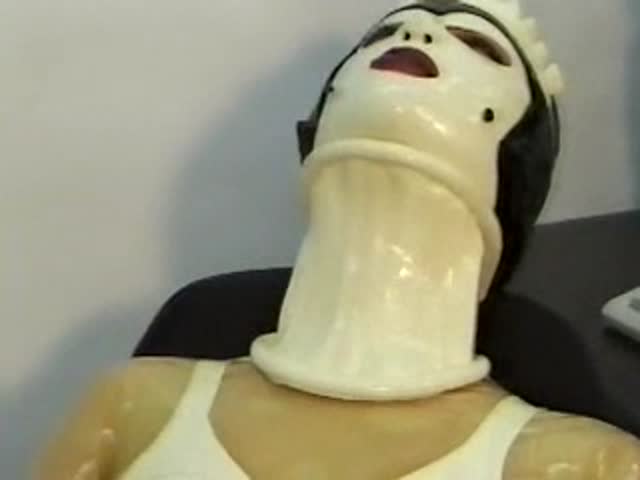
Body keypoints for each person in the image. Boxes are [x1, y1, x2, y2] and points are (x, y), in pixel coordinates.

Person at [37, 1, 640, 478]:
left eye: (477, 46)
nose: (419, 35)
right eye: (387, 33)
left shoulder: (587, 466)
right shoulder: (127, 408)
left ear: (517, 166)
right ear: (319, 126)